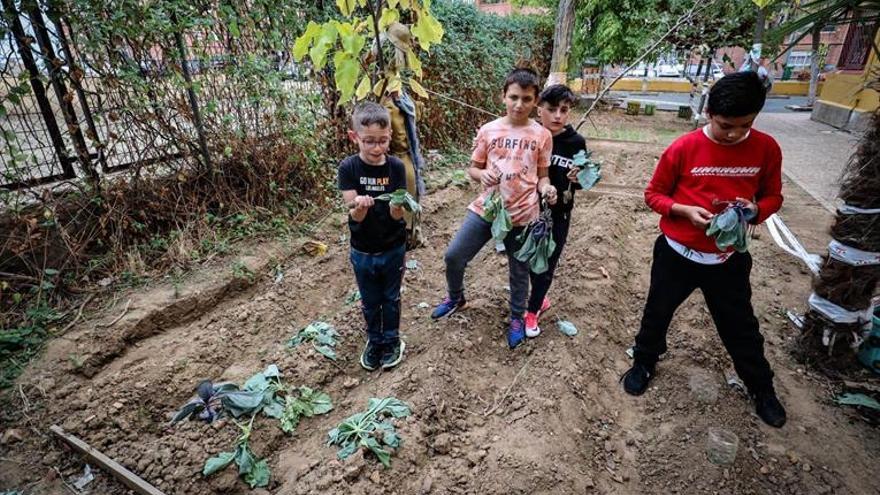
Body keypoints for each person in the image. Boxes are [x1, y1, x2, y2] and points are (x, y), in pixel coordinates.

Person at [621, 71, 787, 428]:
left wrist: (756, 210)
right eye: (726, 125)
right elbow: (653, 195)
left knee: (740, 326)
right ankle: (644, 361)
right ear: (709, 112)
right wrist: (682, 211)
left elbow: (774, 196)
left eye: (745, 125)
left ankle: (761, 387)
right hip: (677, 253)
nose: (735, 134)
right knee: (657, 313)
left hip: (727, 260)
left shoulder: (767, 149)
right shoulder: (683, 148)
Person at [431, 68, 557, 349]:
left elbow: (542, 174)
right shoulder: (489, 130)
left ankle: (516, 317)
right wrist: (481, 175)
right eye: (513, 97)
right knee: (454, 256)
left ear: (535, 101)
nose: (519, 104)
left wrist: (546, 188)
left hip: (523, 213)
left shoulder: (542, 135)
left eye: (526, 99)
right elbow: (473, 169)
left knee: (519, 270)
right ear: (503, 97)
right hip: (488, 209)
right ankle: (455, 297)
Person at [338, 102, 407, 371]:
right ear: (354, 137)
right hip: (362, 249)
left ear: (390, 134)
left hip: (392, 247)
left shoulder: (396, 167)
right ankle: (374, 340)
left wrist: (396, 207)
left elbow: (398, 215)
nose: (377, 148)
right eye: (369, 142)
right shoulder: (349, 169)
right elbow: (352, 214)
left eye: (382, 141)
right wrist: (360, 208)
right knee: (369, 300)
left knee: (390, 298)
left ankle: (391, 340)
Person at [525, 84, 587, 337]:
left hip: (558, 214)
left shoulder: (575, 142)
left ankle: (532, 310)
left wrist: (578, 178)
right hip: (528, 211)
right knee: (528, 259)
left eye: (564, 110)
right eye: (551, 109)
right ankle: (540, 296)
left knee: (547, 263)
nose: (558, 116)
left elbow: (584, 180)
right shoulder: (530, 136)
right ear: (539, 109)